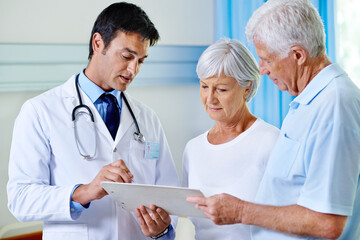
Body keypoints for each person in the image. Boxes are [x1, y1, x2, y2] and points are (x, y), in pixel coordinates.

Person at [187, 0, 360, 239]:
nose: (263, 70)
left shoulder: (334, 104)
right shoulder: (305, 104)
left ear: (298, 55)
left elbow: (327, 222)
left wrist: (239, 211)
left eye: (267, 59)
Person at [7, 2, 179, 240]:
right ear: (98, 43)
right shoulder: (40, 111)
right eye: (127, 56)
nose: (133, 70)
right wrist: (84, 192)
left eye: (141, 61)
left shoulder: (147, 118)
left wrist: (162, 230)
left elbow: (169, 193)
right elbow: (20, 199)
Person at [182, 38, 279, 240]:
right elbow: (188, 219)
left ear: (246, 87)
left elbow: (291, 218)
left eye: (221, 89)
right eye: (204, 86)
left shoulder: (271, 142)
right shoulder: (193, 149)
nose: (210, 99)